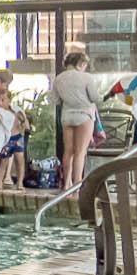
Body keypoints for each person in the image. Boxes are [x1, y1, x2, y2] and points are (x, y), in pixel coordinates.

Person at [53, 49, 104, 189]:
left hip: (67, 116)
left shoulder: (58, 79)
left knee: (68, 151)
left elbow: (55, 100)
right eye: (85, 65)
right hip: (84, 115)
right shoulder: (86, 77)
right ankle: (77, 185)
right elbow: (95, 98)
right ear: (81, 63)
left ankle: (66, 184)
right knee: (80, 152)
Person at [0, 82, 29, 189]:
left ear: (9, 100)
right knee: (3, 161)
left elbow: (25, 123)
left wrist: (23, 123)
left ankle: (20, 183)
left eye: (3, 100)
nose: (0, 103)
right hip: (6, 139)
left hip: (17, 137)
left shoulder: (16, 110)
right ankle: (0, 182)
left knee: (20, 160)